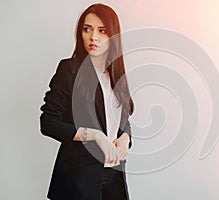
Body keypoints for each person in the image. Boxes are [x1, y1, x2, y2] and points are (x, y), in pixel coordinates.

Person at [40, 3, 134, 200]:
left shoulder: (118, 76)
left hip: (114, 175)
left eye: (102, 31)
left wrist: (126, 137)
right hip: (78, 178)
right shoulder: (70, 70)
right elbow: (48, 123)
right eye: (87, 29)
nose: (93, 37)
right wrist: (94, 135)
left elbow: (121, 119)